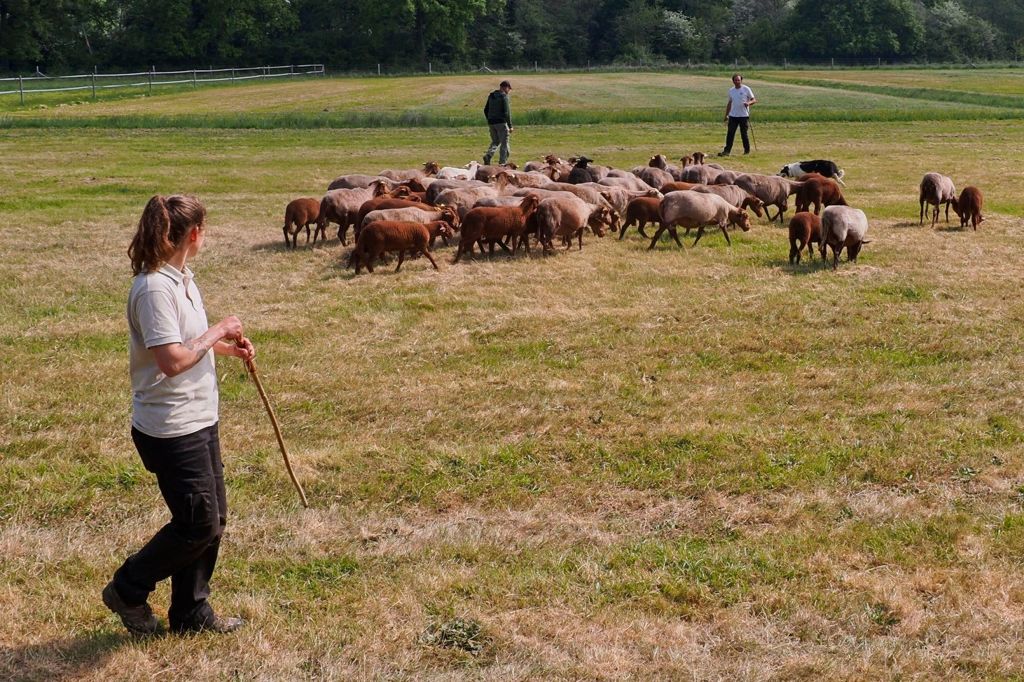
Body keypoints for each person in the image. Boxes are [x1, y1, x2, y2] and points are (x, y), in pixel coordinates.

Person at [102, 194, 255, 636]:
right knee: (196, 524)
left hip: (199, 416)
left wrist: (226, 347)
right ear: (193, 234)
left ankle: (190, 613)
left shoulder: (182, 278)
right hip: (170, 427)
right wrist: (218, 330)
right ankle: (128, 589)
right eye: (205, 230)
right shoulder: (153, 289)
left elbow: (184, 344)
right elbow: (170, 360)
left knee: (213, 520)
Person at [718, 73, 757, 157]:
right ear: (733, 81)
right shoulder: (731, 90)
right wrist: (726, 115)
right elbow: (729, 103)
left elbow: (754, 100)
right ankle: (726, 152)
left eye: (738, 80)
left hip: (744, 115)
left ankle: (747, 151)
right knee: (730, 134)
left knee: (744, 134)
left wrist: (748, 103)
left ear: (741, 80)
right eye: (735, 80)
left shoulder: (746, 89)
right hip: (733, 116)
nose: (737, 81)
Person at [482, 80, 513, 165]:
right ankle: (502, 163)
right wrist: (510, 126)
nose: (508, 91)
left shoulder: (491, 96)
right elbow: (506, 112)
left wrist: (489, 119)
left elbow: (485, 110)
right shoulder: (504, 97)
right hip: (501, 122)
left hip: (491, 122)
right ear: (505, 87)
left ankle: (488, 155)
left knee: (495, 141)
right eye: (508, 89)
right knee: (504, 143)